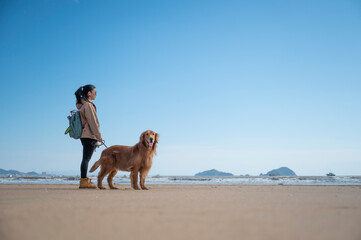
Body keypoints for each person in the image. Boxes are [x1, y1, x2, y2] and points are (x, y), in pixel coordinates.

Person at [74, 84, 102, 189]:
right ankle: (84, 182)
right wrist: (98, 135)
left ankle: (84, 181)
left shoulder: (82, 105)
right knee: (86, 159)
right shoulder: (88, 105)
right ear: (89, 93)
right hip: (90, 135)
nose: (96, 94)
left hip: (84, 135)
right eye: (95, 92)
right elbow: (92, 122)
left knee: (85, 158)